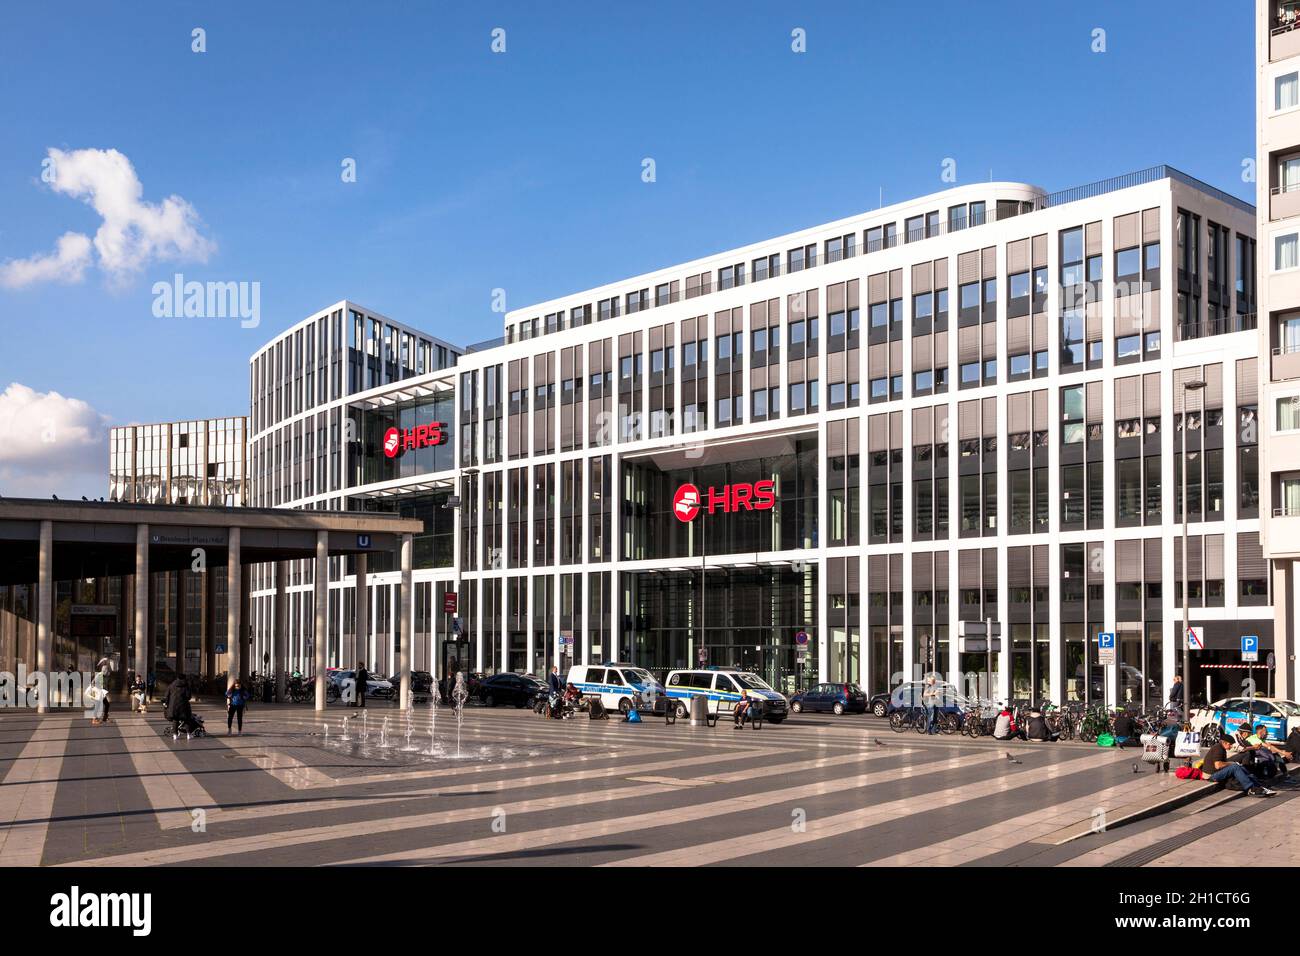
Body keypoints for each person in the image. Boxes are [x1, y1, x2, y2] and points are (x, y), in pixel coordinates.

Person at [1203, 731, 1274, 796]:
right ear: (1224, 742)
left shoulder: (1222, 748)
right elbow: (1218, 765)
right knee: (1235, 767)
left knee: (1241, 767)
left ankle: (1259, 786)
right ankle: (1250, 788)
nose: (1231, 746)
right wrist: (1231, 763)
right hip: (1211, 776)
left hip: (1216, 772)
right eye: (1230, 744)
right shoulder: (1218, 749)